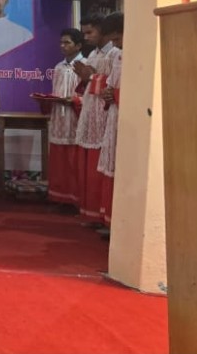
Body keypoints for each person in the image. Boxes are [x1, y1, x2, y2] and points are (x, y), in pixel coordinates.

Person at [72, 13, 115, 226]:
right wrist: (84, 78)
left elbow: (114, 85)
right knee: (87, 167)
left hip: (105, 116)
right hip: (91, 113)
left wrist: (90, 77)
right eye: (84, 33)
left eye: (90, 32)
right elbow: (87, 85)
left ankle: (102, 215)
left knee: (100, 167)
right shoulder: (92, 55)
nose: (86, 37)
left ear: (103, 31)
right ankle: (89, 212)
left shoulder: (115, 53)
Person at [44, 27, 84, 208]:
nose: (62, 46)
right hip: (59, 118)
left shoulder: (85, 65)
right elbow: (56, 91)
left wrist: (75, 100)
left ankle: (75, 199)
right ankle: (60, 198)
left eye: (67, 43)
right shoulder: (58, 67)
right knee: (59, 161)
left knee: (73, 162)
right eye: (61, 42)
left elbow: (88, 95)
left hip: (75, 118)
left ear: (78, 45)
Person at [95, 12, 124, 230]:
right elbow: (112, 85)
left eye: (117, 38)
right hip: (115, 115)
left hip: (127, 121)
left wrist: (114, 94)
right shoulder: (120, 55)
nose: (115, 44)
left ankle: (119, 224)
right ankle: (109, 220)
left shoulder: (138, 52)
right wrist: (108, 93)